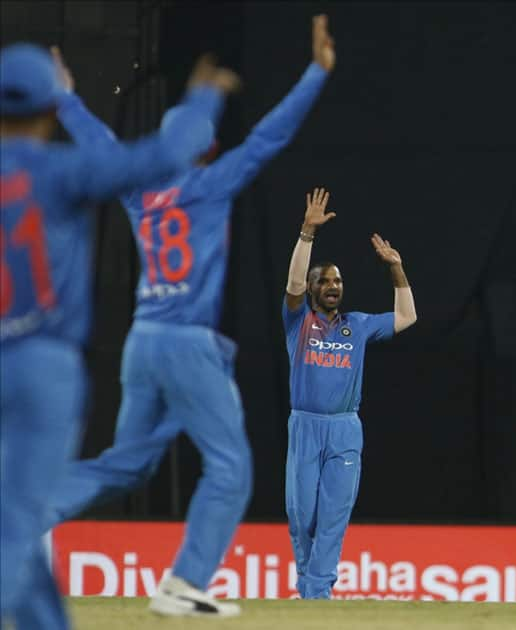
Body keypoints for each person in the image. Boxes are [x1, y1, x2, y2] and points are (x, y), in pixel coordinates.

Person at [44, 15, 336, 617]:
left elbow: (98, 142)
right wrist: (315, 74)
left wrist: (66, 97)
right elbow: (267, 140)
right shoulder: (212, 181)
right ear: (204, 146)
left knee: (128, 465)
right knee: (230, 467)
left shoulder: (136, 186)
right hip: (186, 343)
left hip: (142, 340)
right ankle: (184, 583)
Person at [0, 43, 227, 630]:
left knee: (15, 514)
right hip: (44, 365)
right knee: (18, 518)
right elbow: (167, 153)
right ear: (48, 106)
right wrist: (204, 96)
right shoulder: (61, 170)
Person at [282, 187, 417, 599]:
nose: (333, 285)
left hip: (344, 431)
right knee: (301, 515)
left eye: (338, 280)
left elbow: (407, 317)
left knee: (333, 519)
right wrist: (307, 233)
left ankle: (317, 596)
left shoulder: (356, 325)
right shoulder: (298, 322)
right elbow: (291, 282)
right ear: (312, 288)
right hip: (306, 427)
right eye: (324, 280)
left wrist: (397, 269)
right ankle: (308, 589)